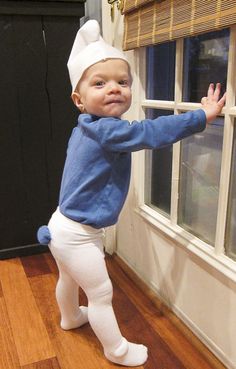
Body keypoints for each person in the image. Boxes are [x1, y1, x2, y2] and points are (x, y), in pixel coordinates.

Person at [37, 19, 226, 367]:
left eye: (122, 82)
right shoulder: (110, 132)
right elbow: (151, 132)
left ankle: (69, 317)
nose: (114, 89)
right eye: (100, 83)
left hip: (62, 225)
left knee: (67, 277)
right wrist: (201, 116)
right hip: (79, 235)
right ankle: (117, 350)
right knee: (101, 293)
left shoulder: (86, 128)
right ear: (79, 99)